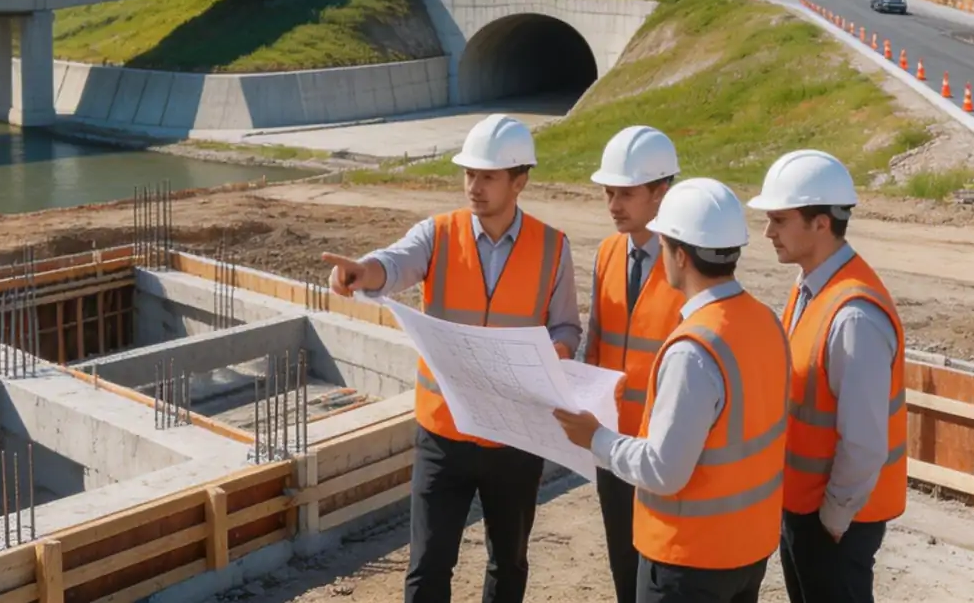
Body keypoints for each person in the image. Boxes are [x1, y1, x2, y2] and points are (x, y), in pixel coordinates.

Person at [321, 113, 581, 603]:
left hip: (515, 439)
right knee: (428, 567)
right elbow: (393, 264)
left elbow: (566, 326)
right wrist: (364, 272)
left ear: (519, 181)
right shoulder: (438, 234)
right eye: (468, 174)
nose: (473, 187)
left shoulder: (553, 247)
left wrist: (553, 354)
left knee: (509, 565)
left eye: (487, 176)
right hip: (444, 437)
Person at [554, 178, 791, 603]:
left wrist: (595, 439)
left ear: (680, 255)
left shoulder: (694, 350)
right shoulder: (766, 322)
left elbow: (664, 470)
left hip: (689, 561)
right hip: (748, 552)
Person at [750, 150, 907, 603]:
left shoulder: (854, 316)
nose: (767, 232)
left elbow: (864, 441)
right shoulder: (808, 287)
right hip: (804, 506)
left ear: (821, 223)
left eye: (779, 220)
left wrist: (834, 517)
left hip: (836, 522)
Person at [583, 125, 688, 603]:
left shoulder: (689, 264)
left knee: (662, 574)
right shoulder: (607, 253)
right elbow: (595, 340)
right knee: (624, 570)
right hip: (612, 444)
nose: (613, 205)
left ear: (660, 193)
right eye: (609, 192)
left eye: (625, 193)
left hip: (664, 448)